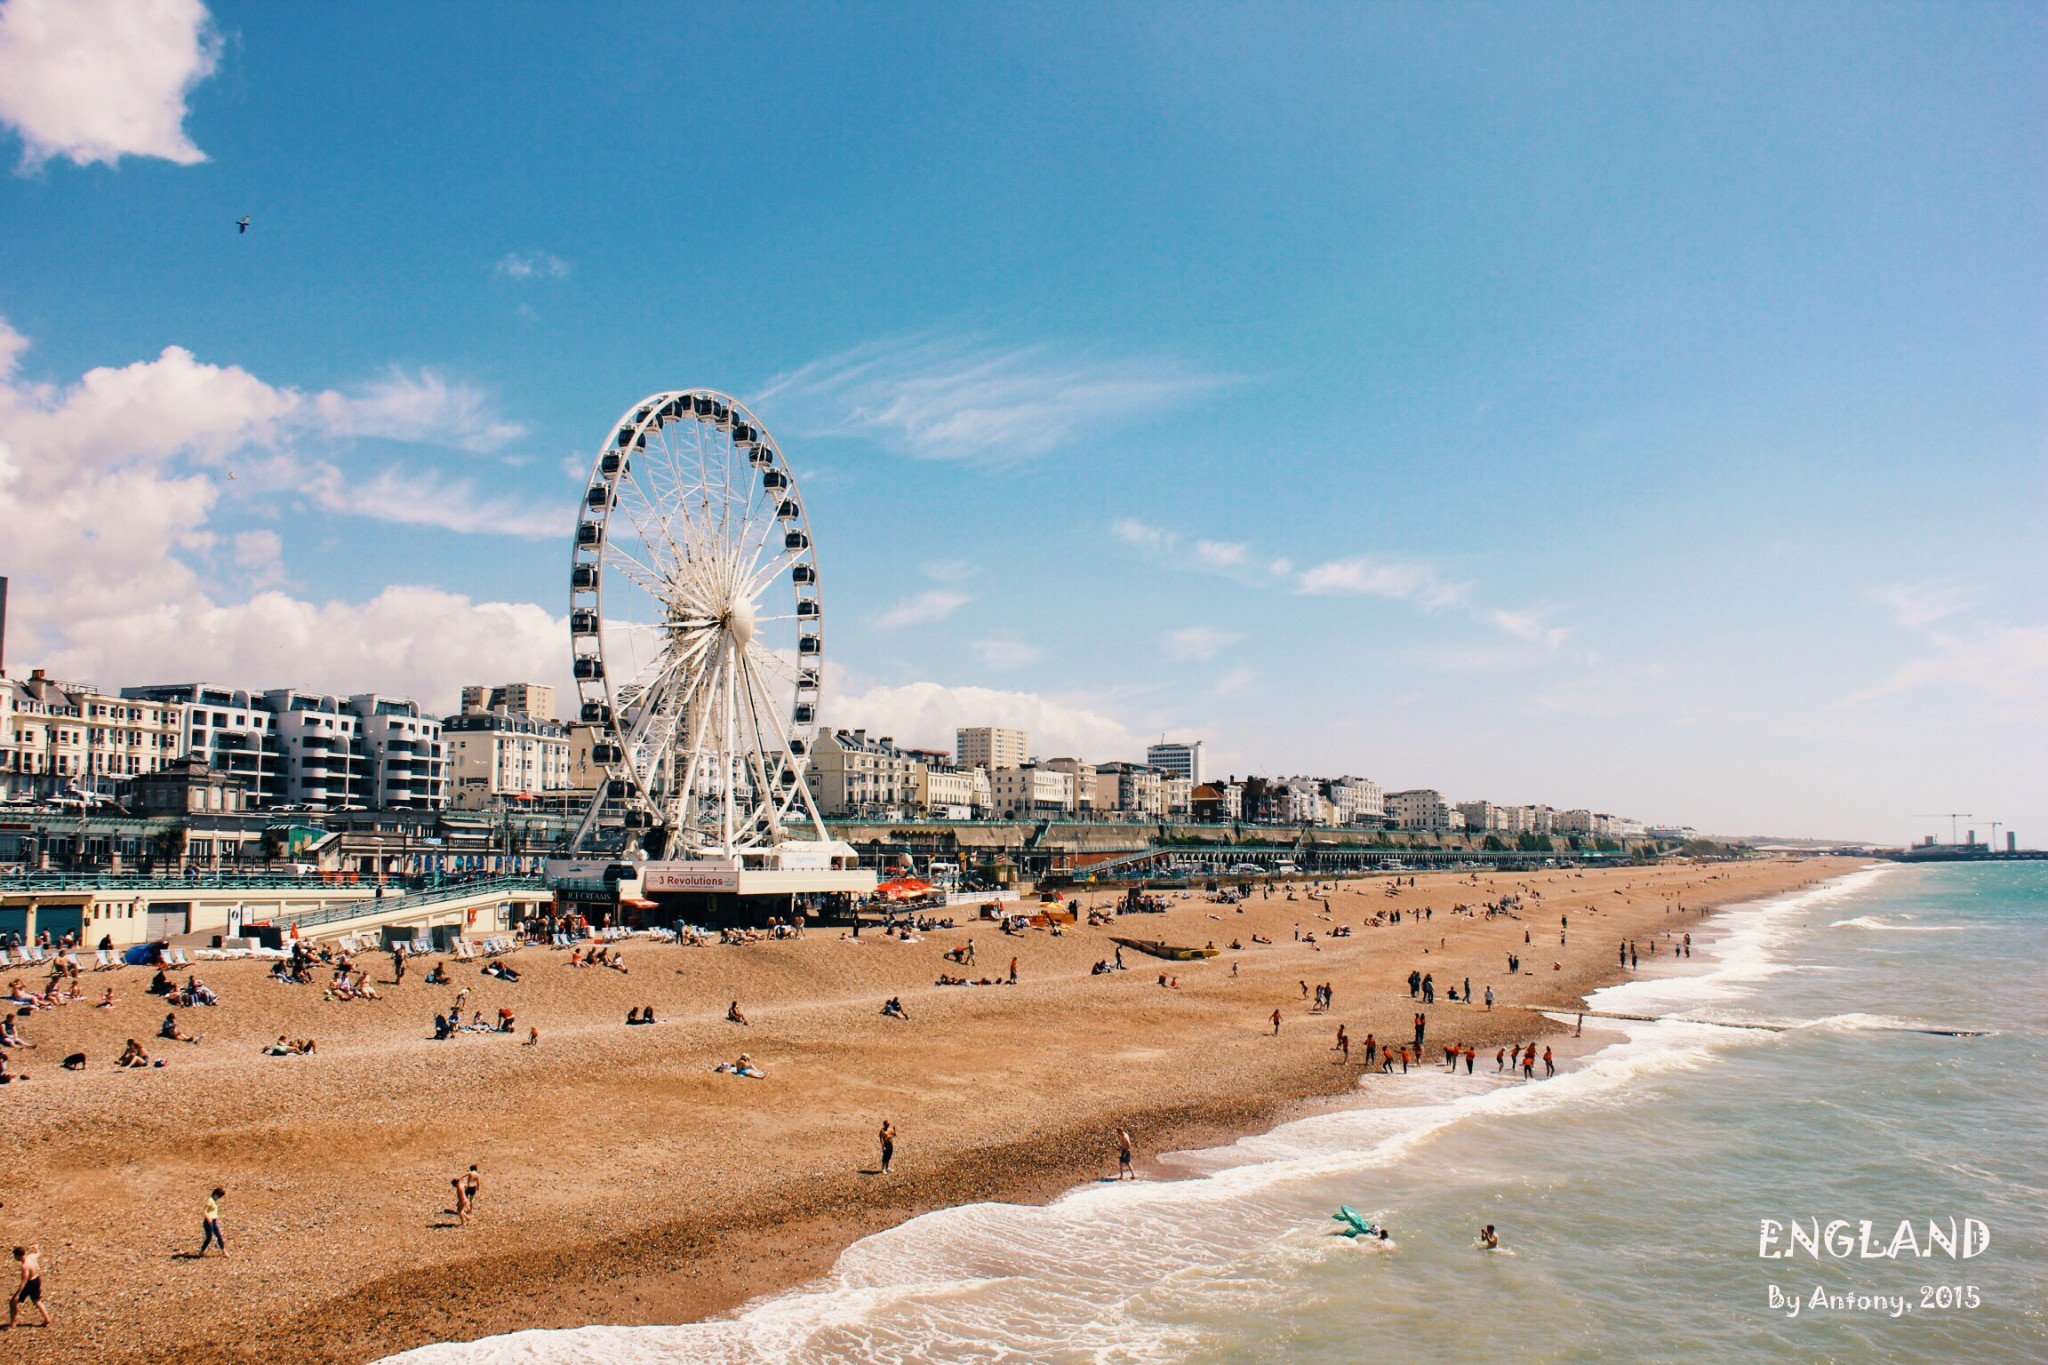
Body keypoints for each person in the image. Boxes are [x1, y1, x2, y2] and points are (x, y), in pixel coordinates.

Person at [7, 1244, 48, 1329]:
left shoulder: (24, 1266)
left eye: (15, 1256)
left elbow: (24, 1281)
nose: (15, 1258)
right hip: (37, 1279)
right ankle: (47, 1318)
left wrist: (18, 1294)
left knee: (13, 1302)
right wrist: (37, 1248)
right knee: (36, 1301)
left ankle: (13, 1323)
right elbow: (39, 1253)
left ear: (18, 1256)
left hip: (30, 1283)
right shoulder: (31, 1257)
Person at [199, 1188, 227, 1257]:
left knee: (219, 1235)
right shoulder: (210, 1200)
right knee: (209, 1237)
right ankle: (201, 1251)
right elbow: (203, 1210)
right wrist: (208, 1218)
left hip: (214, 1221)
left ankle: (224, 1251)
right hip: (209, 1221)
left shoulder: (213, 1201)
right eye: (219, 1196)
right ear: (216, 1194)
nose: (219, 1198)